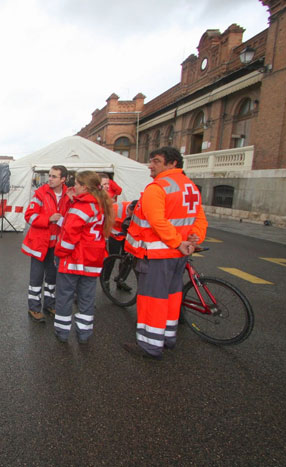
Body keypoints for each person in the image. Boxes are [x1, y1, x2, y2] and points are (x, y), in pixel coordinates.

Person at [123, 147, 208, 360]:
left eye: (156, 161)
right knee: (172, 297)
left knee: (153, 300)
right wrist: (193, 240)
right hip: (178, 257)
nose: (151, 165)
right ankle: (168, 338)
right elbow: (200, 219)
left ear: (171, 164)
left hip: (157, 256)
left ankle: (150, 345)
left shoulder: (157, 188)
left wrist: (178, 242)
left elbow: (157, 221)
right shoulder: (190, 187)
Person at [53, 171, 113, 344]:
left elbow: (69, 235)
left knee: (65, 296)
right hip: (92, 259)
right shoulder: (101, 204)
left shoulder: (82, 207)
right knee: (87, 298)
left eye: (77, 184)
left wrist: (59, 253)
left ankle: (62, 332)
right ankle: (84, 333)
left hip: (74, 259)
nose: (74, 187)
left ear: (85, 187)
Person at [21, 165, 71, 322]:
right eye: (49, 175)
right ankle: (34, 308)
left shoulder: (68, 195)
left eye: (54, 176)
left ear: (63, 179)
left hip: (56, 246)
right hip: (39, 245)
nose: (50, 178)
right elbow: (29, 216)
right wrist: (48, 219)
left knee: (52, 278)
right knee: (36, 279)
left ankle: (49, 305)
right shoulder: (40, 193)